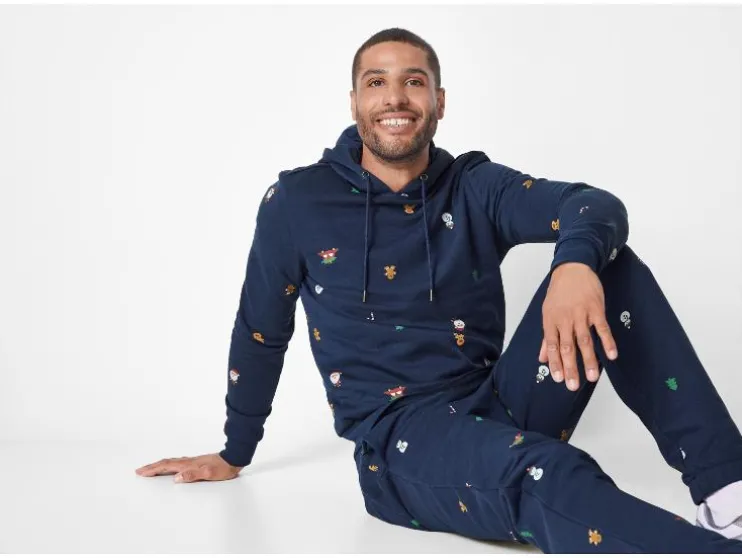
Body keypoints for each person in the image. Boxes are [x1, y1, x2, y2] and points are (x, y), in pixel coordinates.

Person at [136, 28, 742, 553]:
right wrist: (235, 451)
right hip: (400, 444)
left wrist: (574, 265)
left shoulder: (472, 186)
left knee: (611, 266)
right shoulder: (298, 201)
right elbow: (260, 329)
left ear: (439, 101)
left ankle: (730, 497)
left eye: (414, 82)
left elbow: (594, 204)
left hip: (501, 404)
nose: (395, 97)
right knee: (547, 473)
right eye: (376, 82)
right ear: (354, 102)